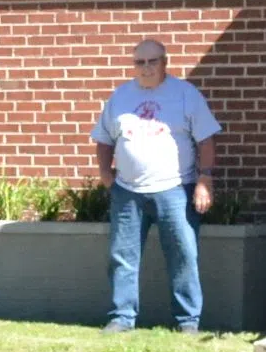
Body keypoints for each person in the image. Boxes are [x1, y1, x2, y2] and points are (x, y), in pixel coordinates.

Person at [91, 39, 220, 334]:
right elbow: (104, 139)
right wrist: (105, 174)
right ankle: (122, 317)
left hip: (176, 189)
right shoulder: (120, 97)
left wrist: (205, 179)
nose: (146, 68)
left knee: (183, 255)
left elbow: (206, 139)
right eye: (140, 62)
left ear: (165, 62)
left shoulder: (185, 94)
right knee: (122, 256)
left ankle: (188, 321)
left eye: (153, 61)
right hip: (127, 191)